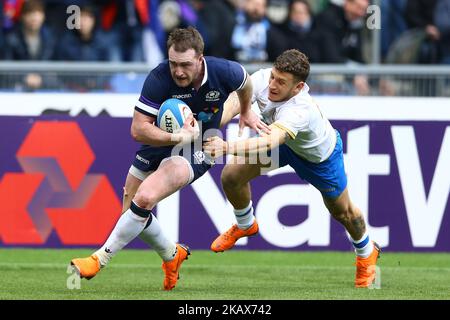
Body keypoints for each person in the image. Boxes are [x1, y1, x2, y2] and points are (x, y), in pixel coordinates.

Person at [70, 26, 269, 291]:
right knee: (131, 211)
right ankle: (172, 255)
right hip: (163, 139)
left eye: (185, 64)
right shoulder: (160, 76)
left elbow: (245, 82)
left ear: (200, 59)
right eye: (173, 63)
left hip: (201, 144)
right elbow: (138, 129)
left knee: (144, 198)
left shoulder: (224, 71)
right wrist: (177, 138)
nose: (178, 71)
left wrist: (245, 111)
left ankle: (98, 259)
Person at [203, 49, 380, 288]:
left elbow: (269, 141)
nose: (273, 85)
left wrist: (225, 146)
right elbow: (235, 101)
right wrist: (210, 128)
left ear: (298, 87)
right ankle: (246, 224)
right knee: (231, 176)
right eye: (274, 76)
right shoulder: (264, 78)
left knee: (343, 213)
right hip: (283, 145)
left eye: (281, 82)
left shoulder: (301, 108)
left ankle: (366, 252)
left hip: (319, 159)